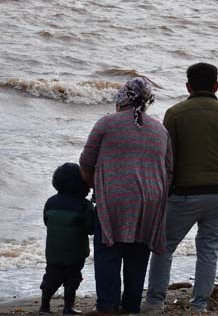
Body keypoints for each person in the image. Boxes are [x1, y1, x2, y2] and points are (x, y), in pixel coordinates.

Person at [145, 62, 218, 314]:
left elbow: (167, 158)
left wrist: (165, 191)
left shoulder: (175, 114)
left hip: (184, 193)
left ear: (188, 86)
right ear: (216, 86)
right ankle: (199, 305)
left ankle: (156, 302)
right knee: (208, 251)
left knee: (164, 247)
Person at [79, 77, 172, 314]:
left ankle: (108, 306)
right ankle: (131, 306)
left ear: (121, 97)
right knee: (138, 254)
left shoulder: (107, 123)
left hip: (115, 197)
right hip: (151, 199)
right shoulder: (160, 129)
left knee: (109, 250)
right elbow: (169, 169)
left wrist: (97, 186)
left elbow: (87, 161)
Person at [40, 163, 94, 315]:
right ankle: (68, 308)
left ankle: (44, 306)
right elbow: (91, 229)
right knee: (72, 279)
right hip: (76, 252)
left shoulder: (50, 202)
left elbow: (46, 221)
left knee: (50, 277)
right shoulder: (85, 205)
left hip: (53, 251)